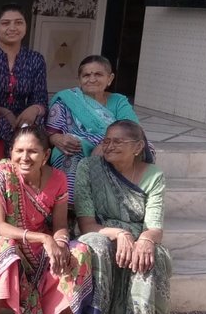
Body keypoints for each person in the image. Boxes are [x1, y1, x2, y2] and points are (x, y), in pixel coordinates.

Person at [0, 125, 94, 314]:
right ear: (11, 152)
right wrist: (44, 238)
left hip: (42, 248)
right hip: (12, 241)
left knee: (80, 251)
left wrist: (60, 243)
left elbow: (61, 224)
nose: (24, 157)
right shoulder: (2, 172)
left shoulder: (58, 178)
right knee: (4, 247)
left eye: (32, 151)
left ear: (46, 155)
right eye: (19, 150)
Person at [75, 120, 172, 314]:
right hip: (101, 230)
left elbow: (154, 226)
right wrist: (119, 233)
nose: (109, 146)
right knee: (97, 246)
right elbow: (86, 224)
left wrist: (146, 240)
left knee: (151, 254)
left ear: (138, 147)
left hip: (139, 233)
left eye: (118, 141)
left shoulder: (154, 175)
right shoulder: (88, 168)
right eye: (106, 141)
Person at [48, 55, 141, 203]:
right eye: (86, 75)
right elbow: (52, 132)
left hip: (113, 145)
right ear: (79, 79)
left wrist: (104, 144)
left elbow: (132, 128)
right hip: (76, 147)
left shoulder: (118, 101)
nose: (92, 79)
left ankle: (119, 203)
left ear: (109, 78)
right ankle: (70, 205)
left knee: (140, 147)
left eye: (98, 74)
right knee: (69, 150)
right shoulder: (68, 99)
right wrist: (58, 139)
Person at [0, 3, 48, 158]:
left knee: (34, 128)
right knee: (4, 127)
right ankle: (4, 175)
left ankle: (28, 177)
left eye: (19, 22)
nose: (13, 28)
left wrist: (34, 109)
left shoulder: (35, 59)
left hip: (22, 116)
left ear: (26, 27)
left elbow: (41, 99)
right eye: (5, 23)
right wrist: (2, 111)